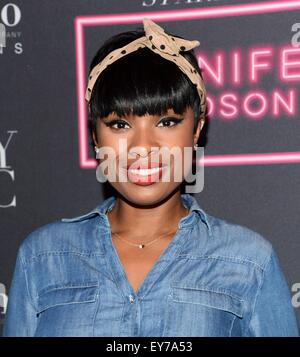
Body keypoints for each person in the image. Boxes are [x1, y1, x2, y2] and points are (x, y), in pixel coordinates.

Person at [3, 18, 299, 337]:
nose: (143, 147)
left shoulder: (249, 261)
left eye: (167, 122)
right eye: (120, 125)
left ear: (198, 127)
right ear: (94, 134)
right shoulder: (42, 257)